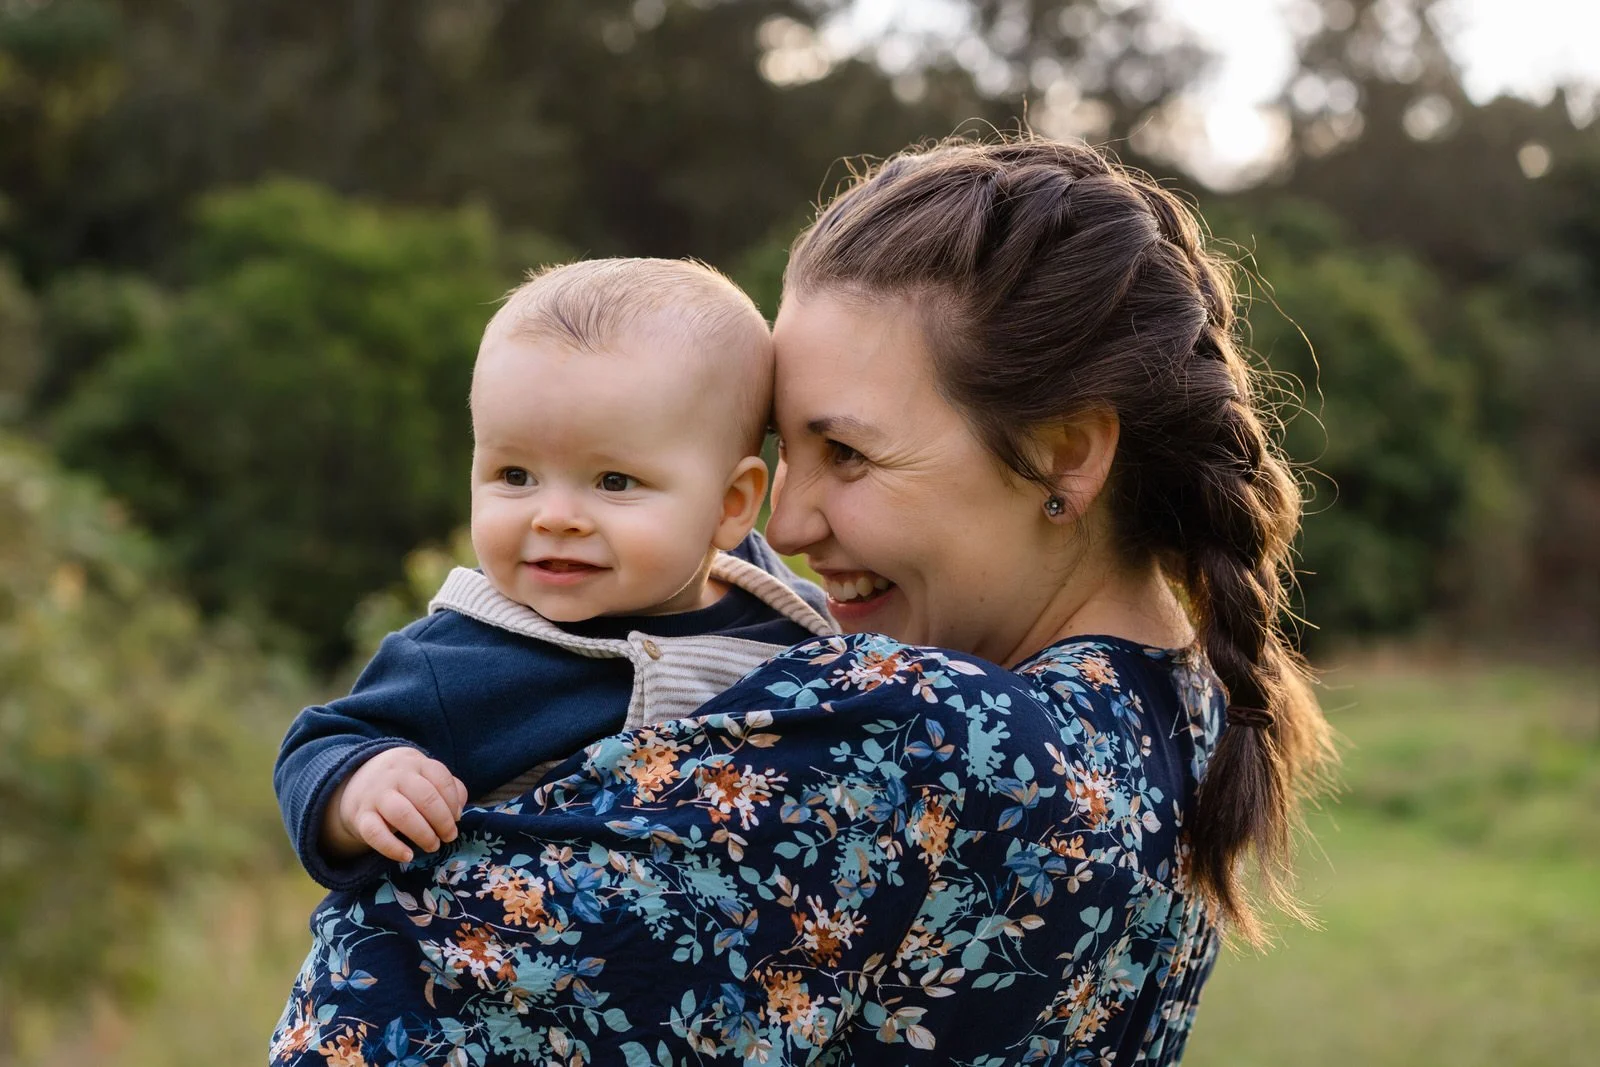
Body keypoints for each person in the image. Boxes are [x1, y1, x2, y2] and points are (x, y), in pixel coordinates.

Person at [270, 136, 1334, 1066]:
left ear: (1063, 452)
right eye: (787, 452)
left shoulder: (912, 731)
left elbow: (374, 1000)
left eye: (849, 453)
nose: (785, 526)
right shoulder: (1191, 713)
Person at [273, 258, 833, 892]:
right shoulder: (464, 653)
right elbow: (321, 743)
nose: (556, 517)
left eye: (613, 481)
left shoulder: (790, 619)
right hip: (511, 976)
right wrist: (365, 786)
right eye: (516, 476)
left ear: (731, 504)